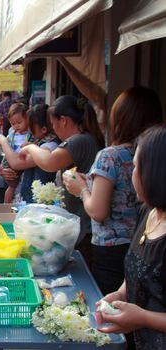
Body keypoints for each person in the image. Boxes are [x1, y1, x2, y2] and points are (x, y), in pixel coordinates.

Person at [63, 87, 164, 295]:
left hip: (111, 250)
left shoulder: (110, 156)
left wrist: (82, 189)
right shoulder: (150, 154)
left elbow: (98, 211)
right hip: (140, 243)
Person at [97, 125, 166, 350]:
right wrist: (118, 294)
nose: (131, 173)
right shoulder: (148, 212)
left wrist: (143, 318)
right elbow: (138, 270)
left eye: (136, 166)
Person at [19, 95, 104, 265]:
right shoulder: (85, 139)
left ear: (63, 120)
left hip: (84, 229)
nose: (54, 129)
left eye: (53, 124)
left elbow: (49, 162)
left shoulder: (78, 141)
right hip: (82, 226)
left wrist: (29, 147)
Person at [0, 104, 58, 203]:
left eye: (30, 126)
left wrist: (3, 141)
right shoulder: (38, 142)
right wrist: (3, 168)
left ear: (44, 129)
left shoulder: (49, 146)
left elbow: (16, 163)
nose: (28, 131)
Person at [0, 103, 33, 203]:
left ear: (27, 119)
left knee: (19, 189)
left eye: (19, 122)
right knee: (11, 187)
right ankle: (5, 207)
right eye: (13, 123)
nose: (16, 126)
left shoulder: (31, 134)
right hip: (11, 166)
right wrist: (2, 165)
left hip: (24, 165)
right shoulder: (12, 133)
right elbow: (5, 150)